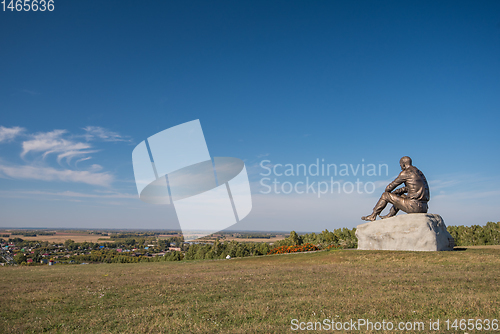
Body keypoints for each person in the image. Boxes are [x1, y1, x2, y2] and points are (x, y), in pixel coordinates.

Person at [361, 156, 430, 221]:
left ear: (403, 164)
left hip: (413, 206)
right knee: (399, 195)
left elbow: (389, 188)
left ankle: (373, 215)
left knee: (385, 195)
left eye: (400, 166)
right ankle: (390, 215)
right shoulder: (419, 173)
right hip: (424, 207)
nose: (401, 168)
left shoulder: (405, 173)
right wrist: (398, 191)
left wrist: (392, 192)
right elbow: (410, 188)